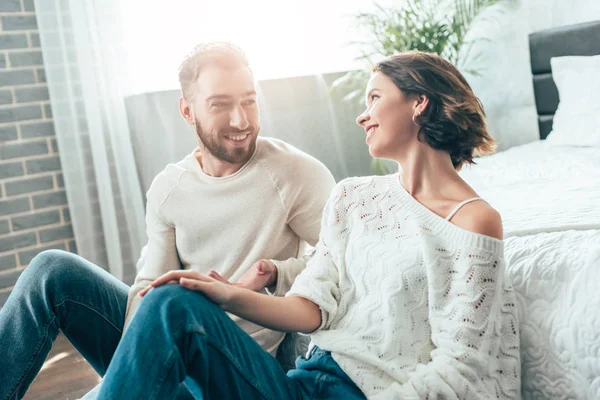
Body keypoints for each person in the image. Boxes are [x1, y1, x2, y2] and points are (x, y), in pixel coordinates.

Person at [96, 51, 521, 400]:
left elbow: (461, 368)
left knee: (171, 305)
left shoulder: (472, 220)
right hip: (300, 384)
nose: (363, 115)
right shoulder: (353, 198)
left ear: (418, 103)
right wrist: (224, 294)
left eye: (374, 98)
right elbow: (311, 307)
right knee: (173, 300)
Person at [0, 42, 335, 400]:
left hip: (231, 369)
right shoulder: (169, 188)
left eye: (249, 101)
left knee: (174, 303)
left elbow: (346, 264)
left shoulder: (295, 173)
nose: (241, 120)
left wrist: (276, 271)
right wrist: (130, 364)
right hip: (169, 349)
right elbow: (150, 285)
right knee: (52, 270)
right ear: (187, 111)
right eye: (220, 104)